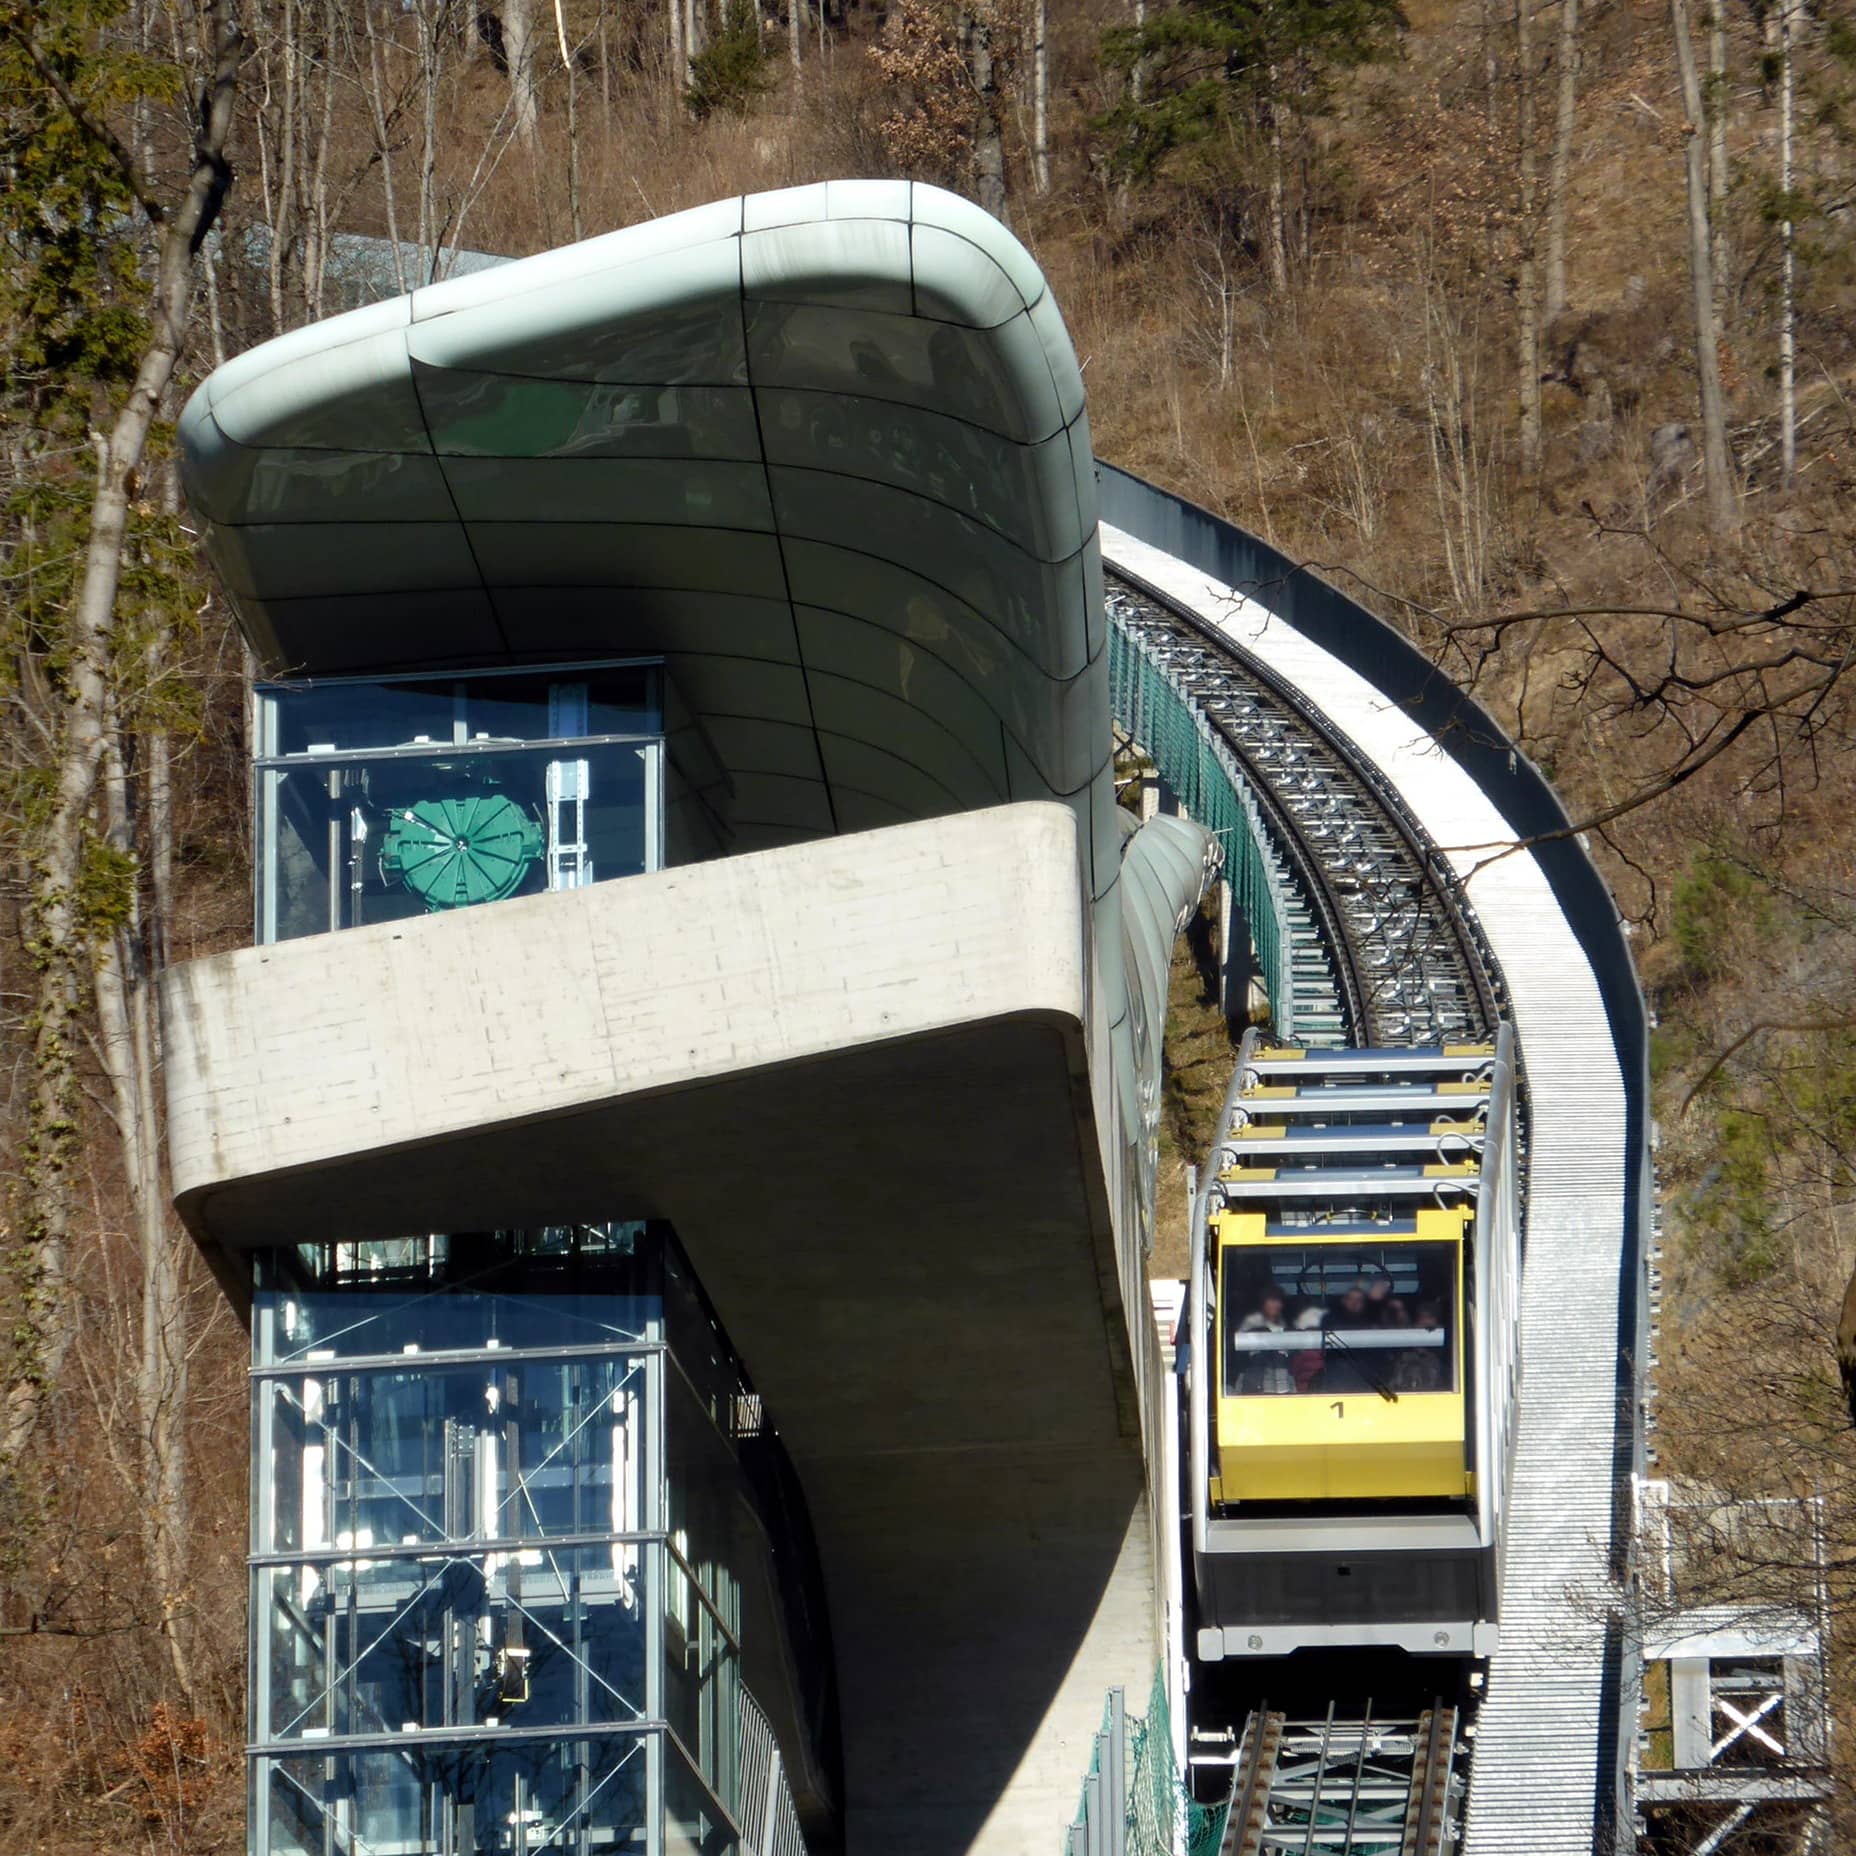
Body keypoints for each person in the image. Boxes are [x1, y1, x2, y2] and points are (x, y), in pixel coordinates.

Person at [1236, 1289, 1295, 1395]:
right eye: (1271, 1300)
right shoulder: (1250, 1321)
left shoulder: (1286, 1324)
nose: (1275, 1304)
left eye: (1277, 1301)